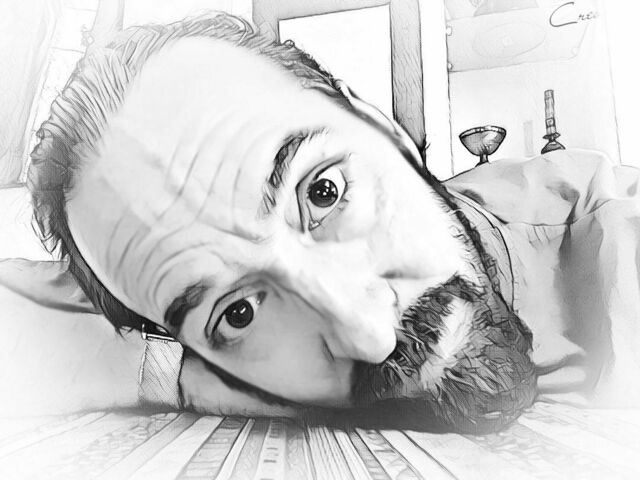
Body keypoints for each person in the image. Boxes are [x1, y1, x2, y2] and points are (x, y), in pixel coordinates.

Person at [1, 13, 638, 434]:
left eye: (324, 193)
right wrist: (162, 371)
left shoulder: (612, 235)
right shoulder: (157, 277)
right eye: (239, 313)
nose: (369, 337)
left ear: (386, 130)